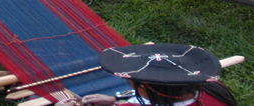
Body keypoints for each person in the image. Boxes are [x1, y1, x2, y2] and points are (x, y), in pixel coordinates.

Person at [55, 43, 238, 106]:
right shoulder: (214, 90)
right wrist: (116, 100)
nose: (129, 83)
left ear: (145, 89)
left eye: (132, 83)